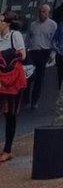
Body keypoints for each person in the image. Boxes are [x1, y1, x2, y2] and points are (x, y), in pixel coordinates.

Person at [0, 13, 28, 164]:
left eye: (1, 21)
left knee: (10, 114)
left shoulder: (14, 35)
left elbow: (22, 55)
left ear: (7, 23)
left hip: (12, 79)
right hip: (0, 79)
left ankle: (8, 149)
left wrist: (5, 56)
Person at [25, 4, 57, 110]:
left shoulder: (53, 25)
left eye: (44, 12)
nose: (41, 13)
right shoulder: (33, 24)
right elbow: (28, 38)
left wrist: (52, 54)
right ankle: (26, 99)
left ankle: (35, 100)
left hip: (44, 51)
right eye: (40, 11)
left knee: (39, 77)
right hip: (33, 51)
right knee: (28, 75)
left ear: (48, 13)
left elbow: (54, 40)